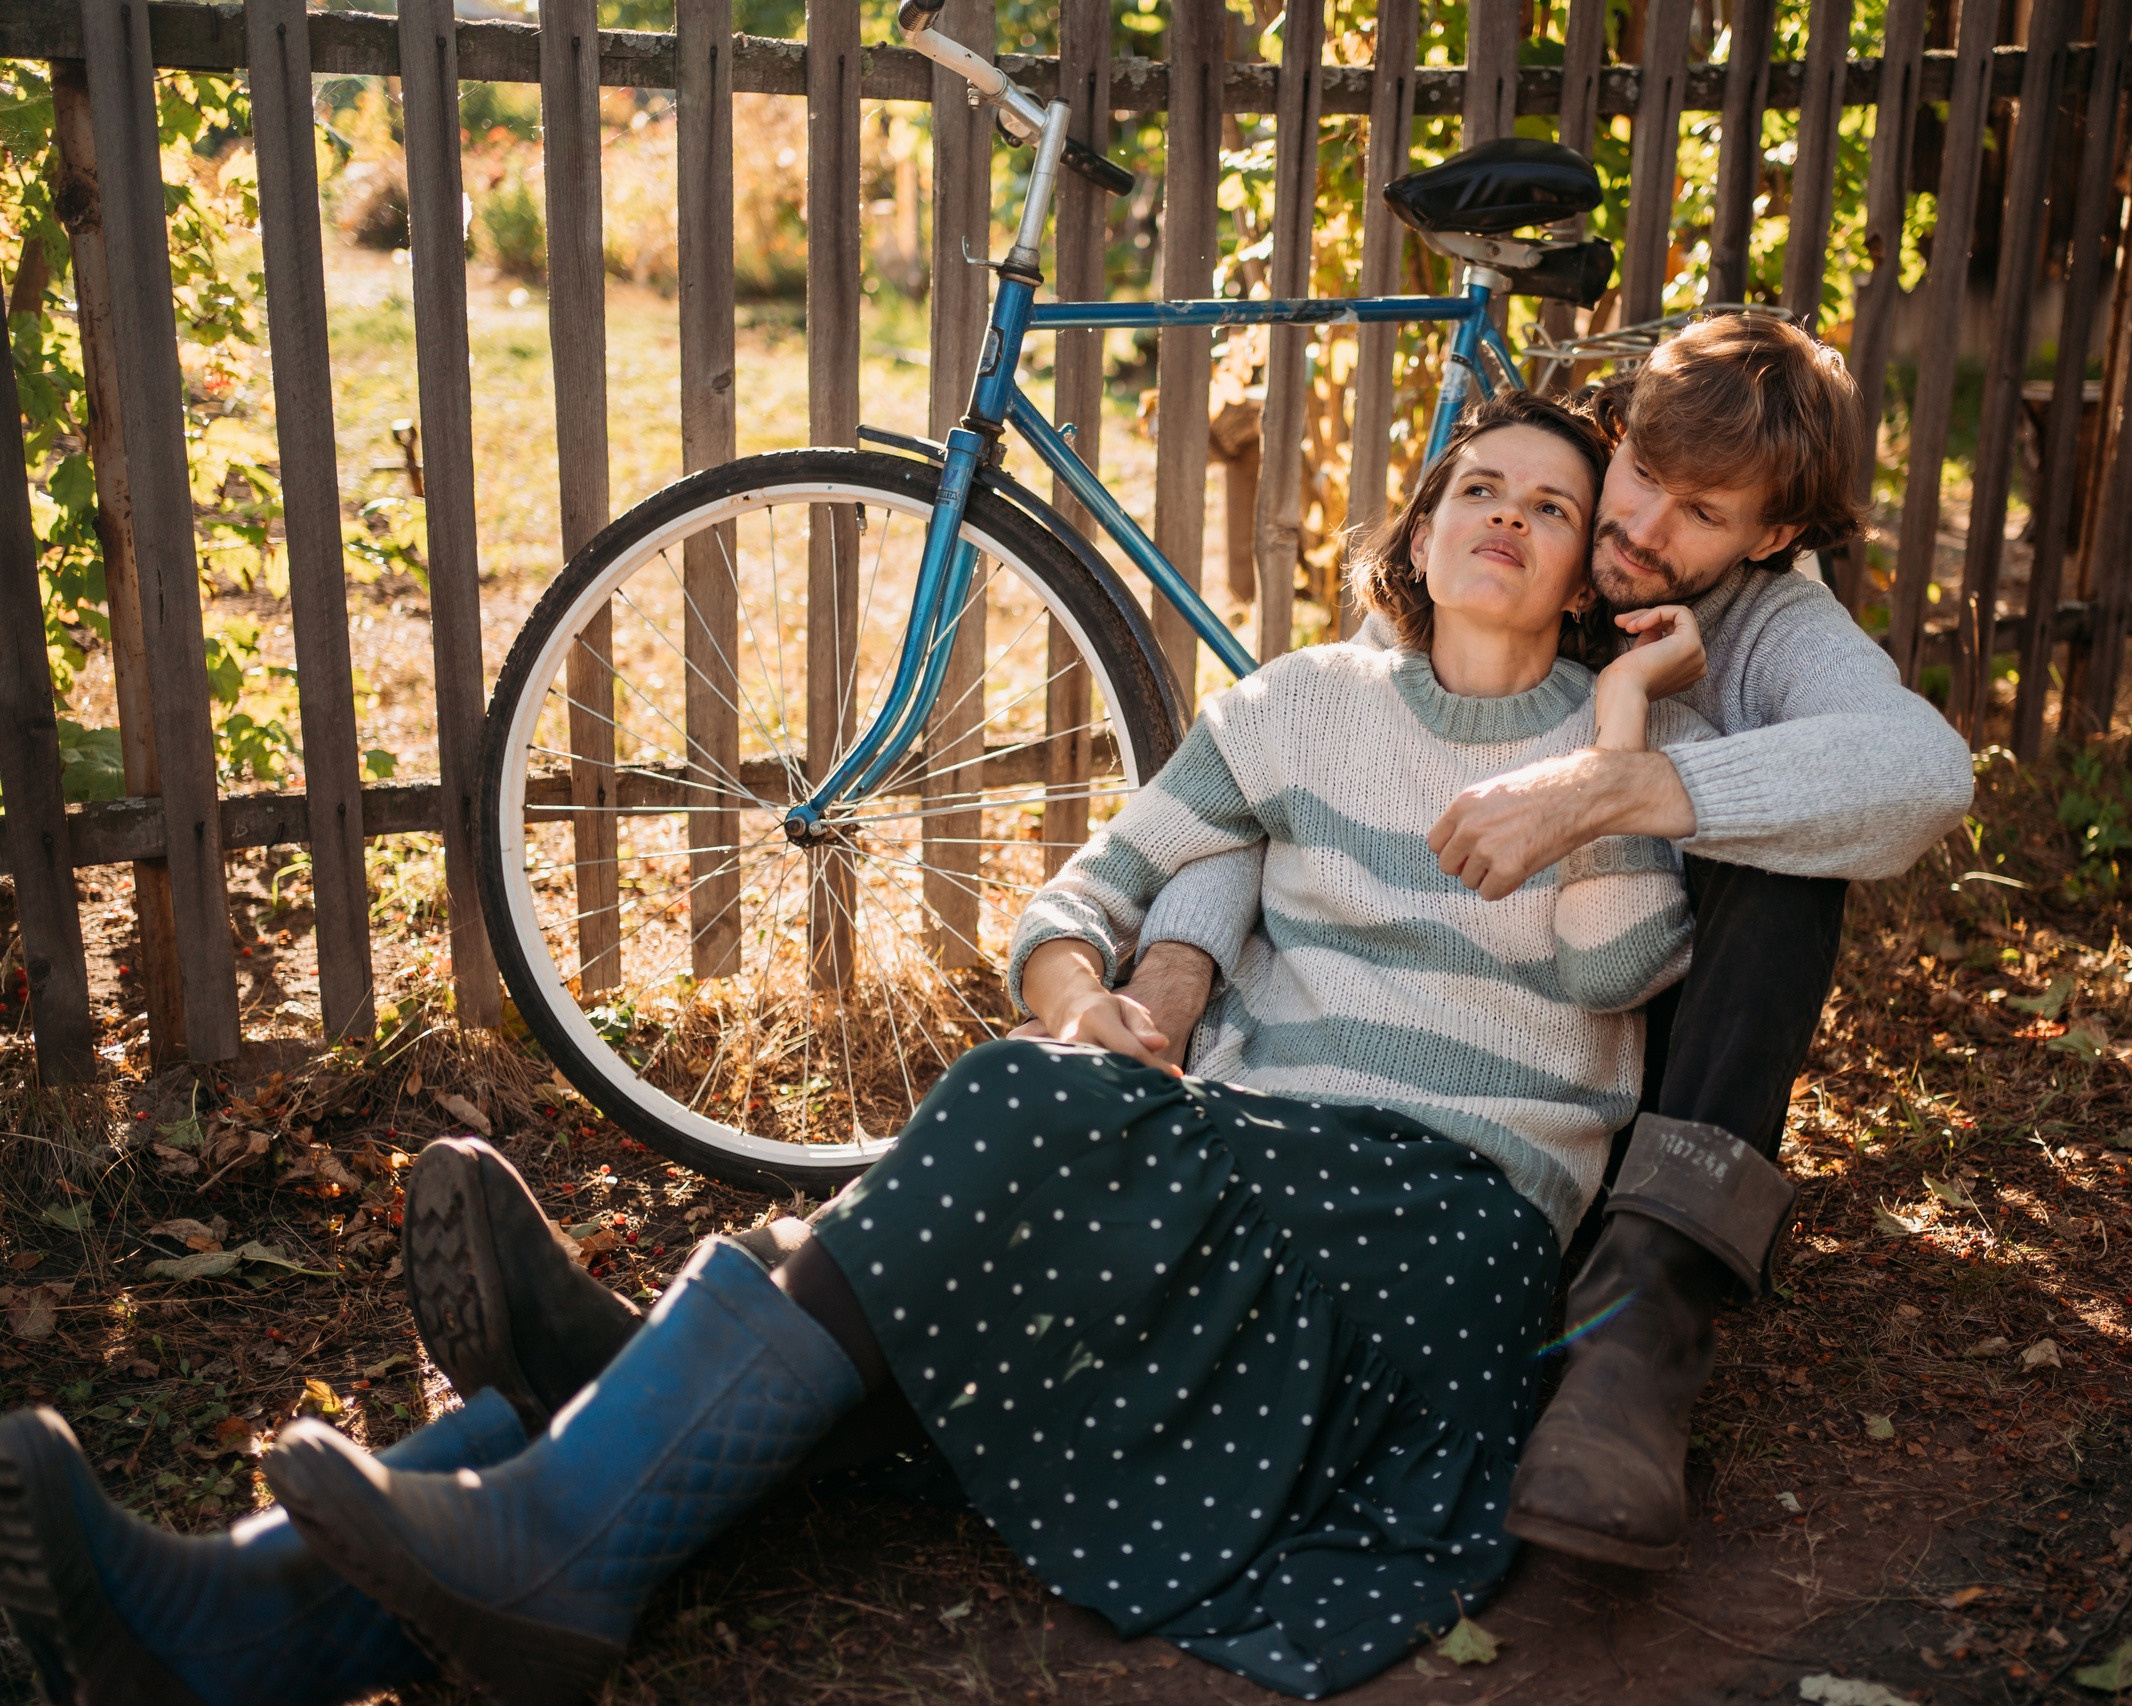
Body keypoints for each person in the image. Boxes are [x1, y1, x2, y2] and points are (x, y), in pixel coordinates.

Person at [0, 390, 1709, 1706]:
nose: (1512, 517)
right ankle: (221, 1630)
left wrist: (1613, 752)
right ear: (1421, 522)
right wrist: (1082, 1004)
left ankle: (576, 1420)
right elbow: (1086, 896)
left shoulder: (1614, 734)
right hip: (1241, 1167)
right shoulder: (1295, 709)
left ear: (1586, 569)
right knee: (984, 1171)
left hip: (1433, 1234)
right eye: (1482, 483)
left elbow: (1626, 960)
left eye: (1555, 507)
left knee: (952, 1200)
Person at [1120, 311, 1977, 1570]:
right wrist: (1176, 975)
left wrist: (1612, 787)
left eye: (1700, 513)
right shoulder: (1527, 529)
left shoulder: (1772, 630)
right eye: (1637, 474)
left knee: (1791, 851)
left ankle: (1644, 1321)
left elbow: (1925, 769)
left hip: (1627, 1042)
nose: (1641, 528)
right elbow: (1275, 788)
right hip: (1425, 1065)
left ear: (1772, 536)